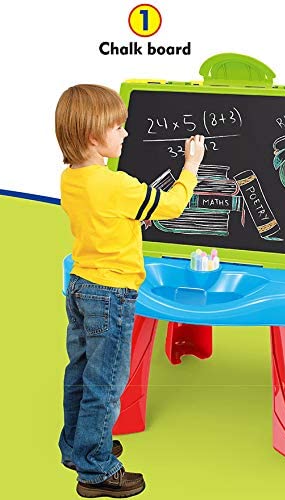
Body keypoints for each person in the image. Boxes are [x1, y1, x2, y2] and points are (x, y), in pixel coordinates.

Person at [55, 83, 205, 498]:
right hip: (111, 293)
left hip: (81, 287)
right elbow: (172, 206)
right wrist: (191, 165)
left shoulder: (72, 179)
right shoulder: (115, 185)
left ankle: (79, 446)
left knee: (80, 372)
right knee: (106, 382)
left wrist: (132, 220)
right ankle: (96, 470)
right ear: (93, 137)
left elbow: (103, 218)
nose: (125, 133)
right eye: (117, 127)